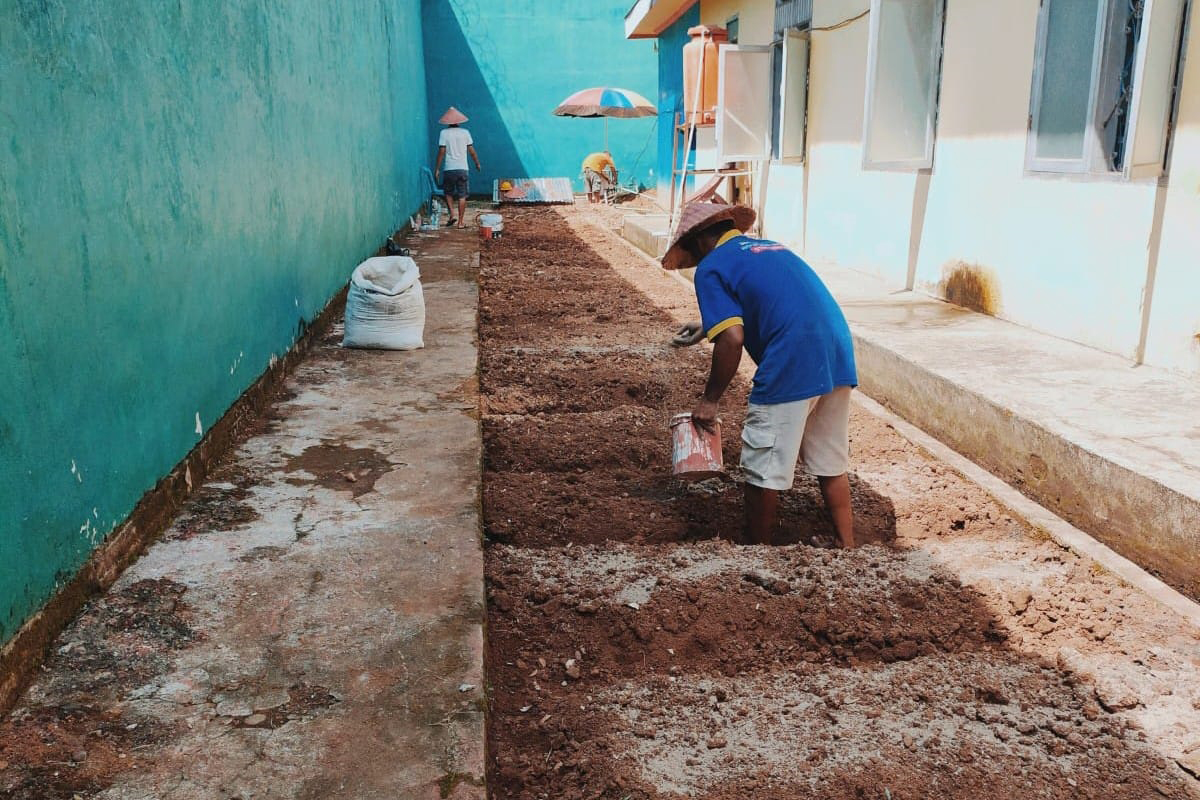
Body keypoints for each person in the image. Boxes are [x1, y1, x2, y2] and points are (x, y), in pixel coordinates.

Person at [664, 202, 859, 548]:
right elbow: (769, 303)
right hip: (836, 348)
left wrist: (710, 400)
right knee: (830, 459)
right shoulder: (768, 247)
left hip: (792, 355)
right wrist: (707, 327)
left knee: (763, 464)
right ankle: (847, 544)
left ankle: (757, 550)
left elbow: (733, 337)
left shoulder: (710, 267)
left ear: (698, 243)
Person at [434, 106, 482, 228]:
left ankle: (452, 214)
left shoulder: (443, 133)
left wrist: (437, 168)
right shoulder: (465, 133)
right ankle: (460, 222)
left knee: (448, 193)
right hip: (462, 169)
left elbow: (441, 152)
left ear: (448, 122)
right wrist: (477, 163)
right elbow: (471, 151)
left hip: (449, 169)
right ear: (459, 121)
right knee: (462, 195)